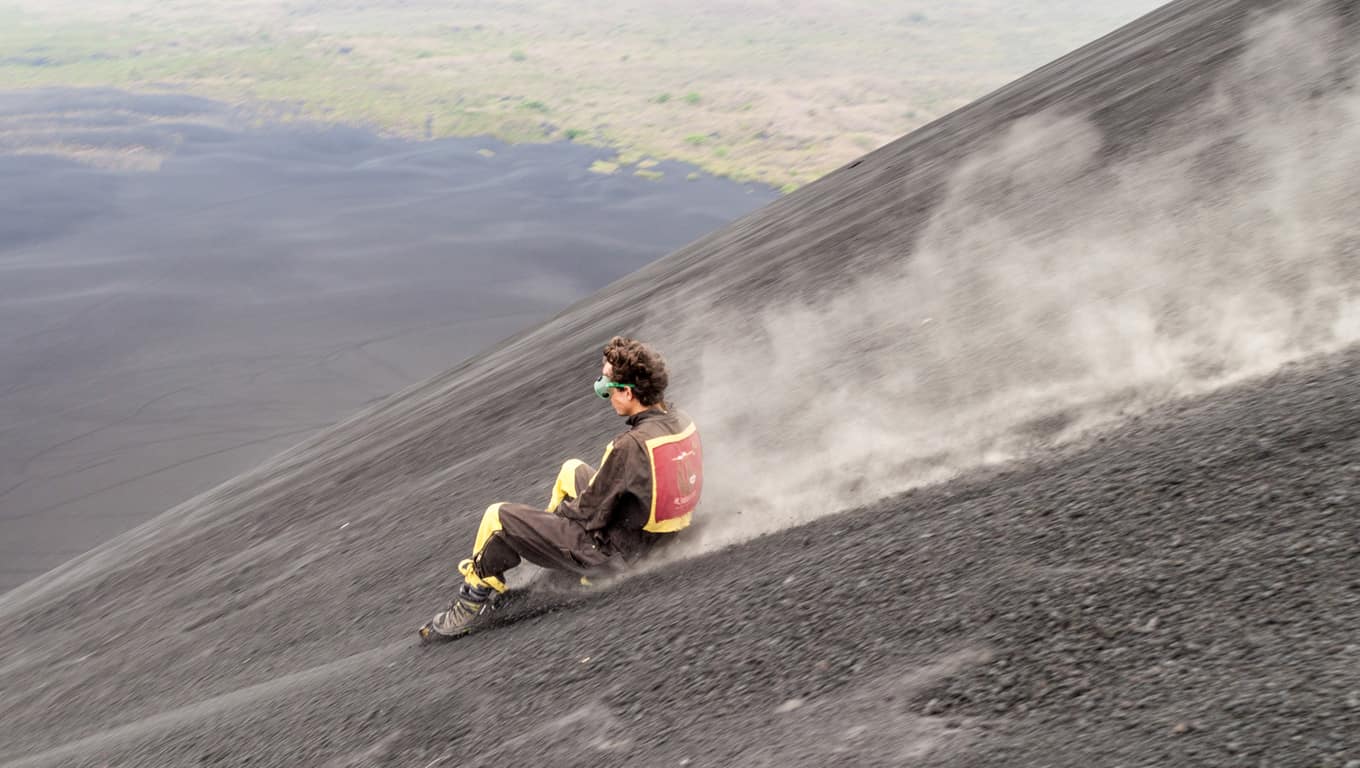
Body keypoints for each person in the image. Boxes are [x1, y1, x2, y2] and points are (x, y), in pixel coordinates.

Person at [419, 336, 703, 642]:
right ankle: (556, 562)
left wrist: (545, 529)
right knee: (572, 470)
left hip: (615, 556)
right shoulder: (681, 421)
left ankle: (471, 601)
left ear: (628, 392)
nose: (606, 397)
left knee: (498, 517)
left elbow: (588, 513)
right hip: (655, 538)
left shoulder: (629, 446)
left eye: (606, 388)